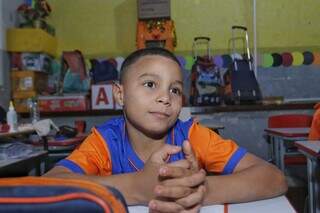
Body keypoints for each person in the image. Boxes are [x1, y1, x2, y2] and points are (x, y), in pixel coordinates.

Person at [45, 47, 287, 212]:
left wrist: (197, 190)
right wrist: (137, 188)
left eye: (175, 90)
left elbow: (274, 178)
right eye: (150, 84)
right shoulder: (105, 141)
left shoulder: (191, 136)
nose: (165, 98)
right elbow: (50, 184)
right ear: (120, 94)